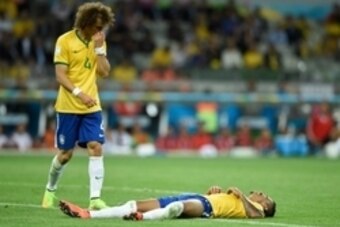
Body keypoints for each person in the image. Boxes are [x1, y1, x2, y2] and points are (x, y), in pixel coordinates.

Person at [41, 2, 114, 210]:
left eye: (103, 27)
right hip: (68, 106)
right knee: (65, 154)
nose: (100, 31)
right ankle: (50, 189)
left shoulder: (98, 41)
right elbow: (60, 75)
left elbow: (104, 71)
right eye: (97, 27)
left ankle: (95, 199)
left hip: (92, 107)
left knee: (95, 146)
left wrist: (100, 51)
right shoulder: (65, 41)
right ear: (85, 23)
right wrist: (79, 93)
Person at [59, 185, 276, 220]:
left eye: (263, 195)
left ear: (265, 205)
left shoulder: (257, 210)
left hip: (208, 208)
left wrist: (243, 196)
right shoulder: (245, 201)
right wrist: (212, 191)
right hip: (201, 198)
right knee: (134, 203)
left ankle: (143, 218)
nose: (258, 193)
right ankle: (89, 214)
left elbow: (255, 215)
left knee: (177, 209)